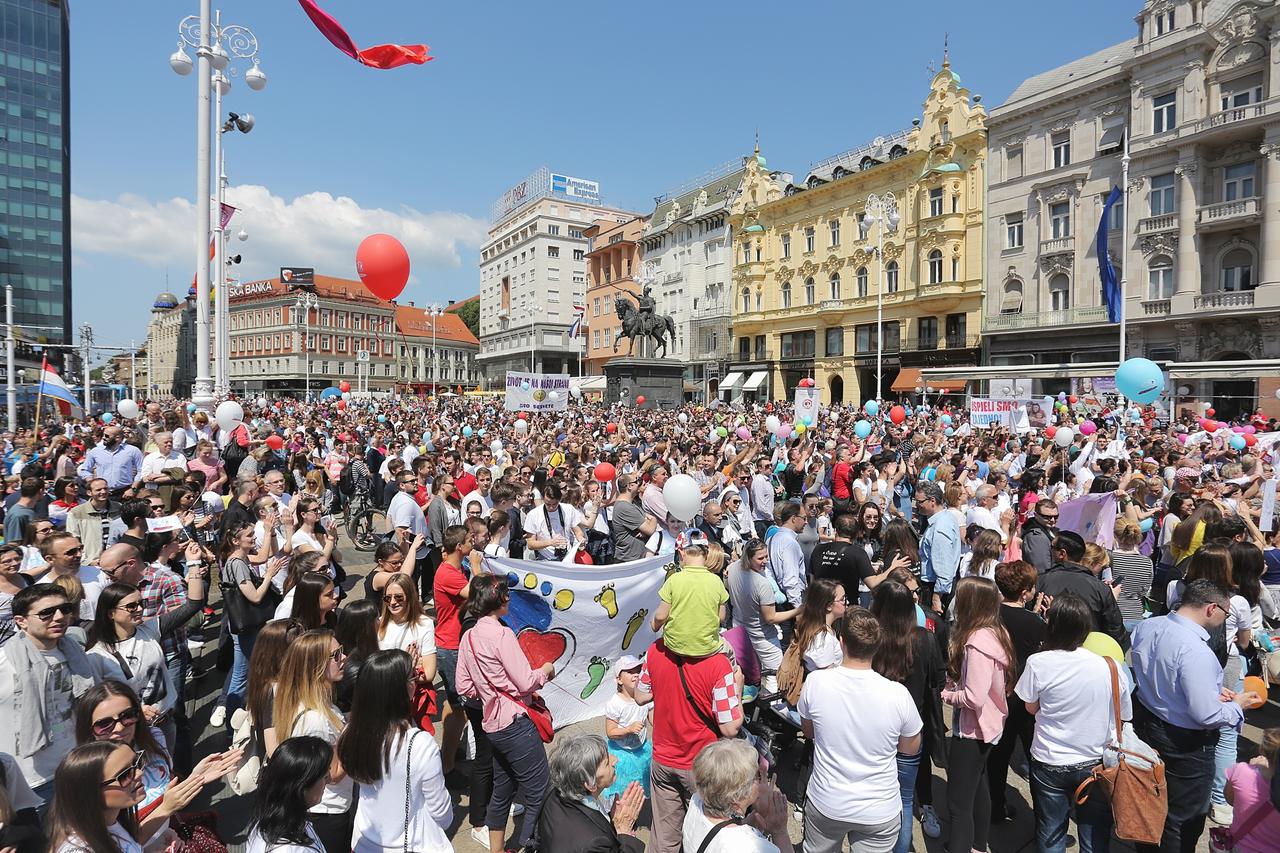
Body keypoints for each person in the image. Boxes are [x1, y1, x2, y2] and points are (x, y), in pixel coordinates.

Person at [1130, 578, 1259, 853]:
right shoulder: (1197, 651)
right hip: (1185, 744)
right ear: (1211, 608)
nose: (1226, 619)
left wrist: (1212, 690)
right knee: (1183, 818)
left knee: (1150, 800)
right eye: (1226, 613)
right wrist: (1238, 705)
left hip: (1148, 723)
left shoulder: (1148, 626)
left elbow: (1156, 673)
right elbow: (1206, 714)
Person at [798, 606, 923, 853]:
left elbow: (809, 731)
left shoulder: (815, 683)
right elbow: (910, 747)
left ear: (841, 642)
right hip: (879, 809)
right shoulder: (898, 694)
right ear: (877, 647)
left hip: (827, 801)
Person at [1017, 593, 1131, 853]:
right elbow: (1123, 714)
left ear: (1051, 625)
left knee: (1050, 832)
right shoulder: (1110, 667)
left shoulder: (1038, 663)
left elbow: (1030, 707)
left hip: (1049, 761)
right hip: (1096, 763)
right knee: (1094, 836)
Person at [456, 575, 556, 853]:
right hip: (515, 724)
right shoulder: (502, 634)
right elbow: (526, 681)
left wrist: (490, 691)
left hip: (492, 724)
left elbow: (464, 686)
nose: (509, 599)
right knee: (539, 789)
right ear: (496, 600)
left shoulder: (469, 636)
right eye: (506, 595)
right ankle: (529, 844)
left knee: (502, 790)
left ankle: (497, 849)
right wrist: (546, 671)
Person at [74, 680, 239, 840]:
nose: (120, 727)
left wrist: (196, 777)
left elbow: (163, 792)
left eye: (127, 715)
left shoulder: (154, 739)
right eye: (104, 724)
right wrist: (166, 810)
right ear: (88, 729)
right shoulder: (88, 774)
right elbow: (116, 844)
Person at [637, 612, 744, 853]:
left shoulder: (656, 650)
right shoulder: (719, 664)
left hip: (663, 759)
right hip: (702, 766)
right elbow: (730, 726)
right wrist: (737, 690)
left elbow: (641, 695)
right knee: (704, 834)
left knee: (664, 837)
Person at [0, 583, 110, 804]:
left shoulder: (75, 651)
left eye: (65, 609)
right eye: (46, 613)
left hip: (76, 765)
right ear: (21, 621)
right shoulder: (4, 661)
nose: (59, 617)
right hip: (29, 781)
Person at [338, 649, 453, 853]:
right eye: (413, 676)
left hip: (363, 843)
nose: (416, 680)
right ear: (405, 688)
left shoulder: (350, 732)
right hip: (413, 846)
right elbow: (442, 814)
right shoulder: (421, 745)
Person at [940, 576, 1016, 853]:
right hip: (990, 726)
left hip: (972, 730)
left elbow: (973, 696)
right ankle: (977, 845)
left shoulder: (976, 643)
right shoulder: (997, 632)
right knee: (978, 789)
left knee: (958, 804)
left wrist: (947, 695)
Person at [870, 580, 946, 853]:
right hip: (913, 730)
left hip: (875, 728)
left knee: (878, 793)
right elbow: (938, 678)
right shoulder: (924, 639)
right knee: (903, 798)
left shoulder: (871, 640)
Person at [272, 629, 354, 853]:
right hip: (328, 814)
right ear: (316, 666)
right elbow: (332, 775)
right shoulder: (315, 720)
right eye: (336, 655)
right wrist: (358, 733)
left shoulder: (318, 705)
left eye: (342, 651)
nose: (344, 657)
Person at [987, 559, 1046, 825]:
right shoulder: (1036, 624)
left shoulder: (990, 616)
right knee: (1036, 759)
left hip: (996, 695)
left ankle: (995, 806)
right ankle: (1043, 814)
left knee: (998, 757)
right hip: (1027, 700)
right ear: (1025, 592)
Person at [538, 733, 647, 853]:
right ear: (591, 784)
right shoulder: (594, 843)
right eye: (606, 763)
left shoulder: (553, 793)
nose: (615, 760)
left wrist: (611, 818)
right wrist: (625, 832)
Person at [682, 739, 795, 853]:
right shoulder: (751, 848)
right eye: (756, 777)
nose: (760, 782)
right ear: (736, 797)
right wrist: (779, 831)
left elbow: (724, 830)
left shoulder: (696, 801)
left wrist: (757, 814)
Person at [46, 741, 148, 853]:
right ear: (89, 793)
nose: (139, 773)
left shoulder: (114, 822)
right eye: (124, 775)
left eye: (137, 762)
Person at [1038, 530, 1128, 650]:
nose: (1050, 550)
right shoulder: (1100, 588)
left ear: (1062, 553)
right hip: (1087, 653)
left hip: (1049, 651)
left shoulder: (1041, 581)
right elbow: (1115, 631)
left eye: (1052, 547)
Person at [728, 538, 796, 693]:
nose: (765, 561)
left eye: (766, 556)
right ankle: (773, 709)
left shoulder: (732, 568)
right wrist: (798, 611)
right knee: (775, 677)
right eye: (760, 558)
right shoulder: (762, 583)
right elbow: (770, 617)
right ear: (748, 557)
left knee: (751, 676)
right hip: (763, 638)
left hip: (740, 632)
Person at [432, 524, 472, 783]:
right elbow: (477, 594)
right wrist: (477, 566)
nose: (473, 542)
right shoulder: (448, 573)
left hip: (453, 644)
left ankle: (448, 751)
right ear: (459, 547)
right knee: (461, 708)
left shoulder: (453, 568)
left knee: (453, 705)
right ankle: (446, 766)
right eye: (470, 540)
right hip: (451, 647)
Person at [245, 735, 332, 853]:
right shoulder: (291, 850)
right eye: (325, 776)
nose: (329, 780)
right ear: (301, 787)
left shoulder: (265, 823)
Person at [650, 533, 727, 658]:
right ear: (706, 554)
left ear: (681, 553)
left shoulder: (673, 580)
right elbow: (721, 617)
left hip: (675, 646)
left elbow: (660, 616)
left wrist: (654, 625)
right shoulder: (716, 581)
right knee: (734, 661)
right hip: (707, 647)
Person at [1223, 728, 1280, 853]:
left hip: (1240, 847)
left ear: (1261, 750)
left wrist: (1252, 768)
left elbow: (1230, 799)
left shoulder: (1240, 771)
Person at [377, 571, 437, 687]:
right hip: (384, 693)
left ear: (410, 597)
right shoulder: (378, 624)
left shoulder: (425, 624)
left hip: (413, 697)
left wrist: (387, 668)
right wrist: (409, 666)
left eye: (398, 597)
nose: (393, 602)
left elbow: (429, 674)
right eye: (388, 598)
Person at [917, 482, 961, 613]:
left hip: (936, 590)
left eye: (920, 501)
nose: (917, 505)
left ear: (932, 501)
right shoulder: (946, 517)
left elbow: (944, 566)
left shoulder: (940, 528)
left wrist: (936, 598)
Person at [1110, 516, 1155, 629]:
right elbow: (1145, 590)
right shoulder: (1147, 562)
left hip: (1111, 614)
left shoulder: (1109, 558)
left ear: (1115, 535)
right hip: (1135, 616)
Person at [63, 478, 120, 566]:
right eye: (98, 490)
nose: (103, 492)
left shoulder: (119, 508)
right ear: (89, 493)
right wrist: (87, 561)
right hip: (92, 562)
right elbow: (73, 540)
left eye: (105, 488)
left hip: (117, 560)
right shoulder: (76, 512)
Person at [611, 475, 658, 563]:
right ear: (629, 486)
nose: (639, 484)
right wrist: (653, 519)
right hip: (628, 561)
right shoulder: (624, 507)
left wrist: (648, 524)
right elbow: (650, 529)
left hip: (636, 559)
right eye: (636, 482)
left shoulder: (632, 503)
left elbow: (648, 524)